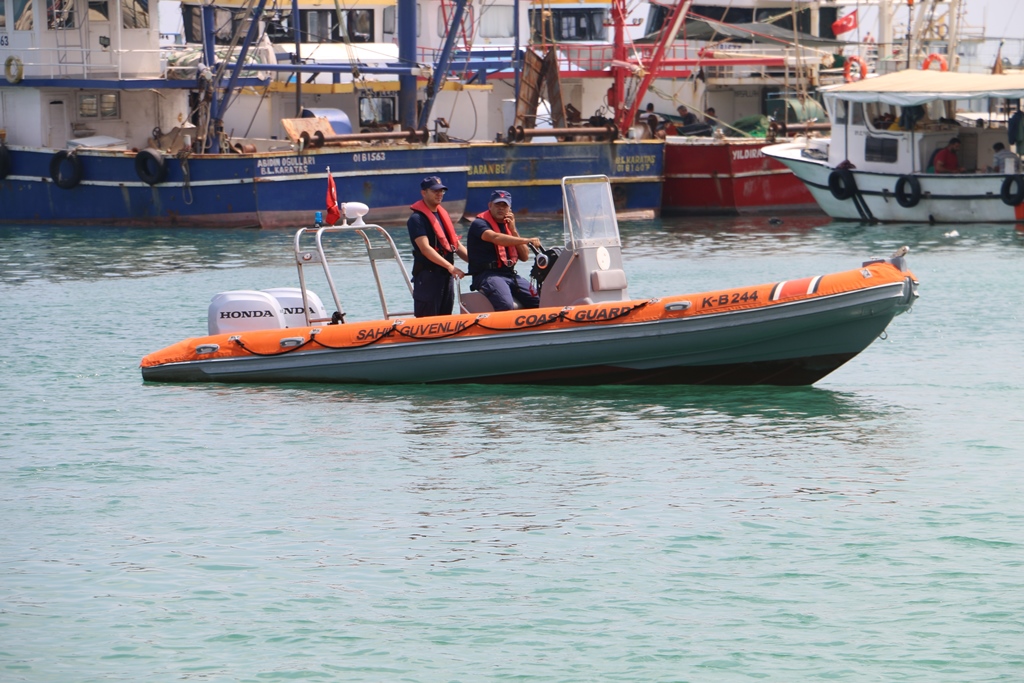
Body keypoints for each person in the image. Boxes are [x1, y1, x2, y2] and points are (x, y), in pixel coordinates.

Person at [466, 190, 543, 311]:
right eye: (497, 205)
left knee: (539, 302)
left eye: (504, 206)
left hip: (509, 274)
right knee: (506, 305)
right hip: (487, 275)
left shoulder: (509, 226)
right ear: (490, 205)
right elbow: (495, 238)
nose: (501, 209)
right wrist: (526, 240)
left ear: (509, 209)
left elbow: (524, 257)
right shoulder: (479, 224)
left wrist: (513, 230)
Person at [407, 175, 468, 317]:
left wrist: (477, 262)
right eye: (435, 191)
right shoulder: (416, 219)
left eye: (442, 191)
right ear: (424, 193)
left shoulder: (442, 215)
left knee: (445, 317)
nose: (439, 194)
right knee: (428, 320)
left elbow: (455, 244)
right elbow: (425, 249)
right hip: (428, 277)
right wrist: (450, 267)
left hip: (446, 277)